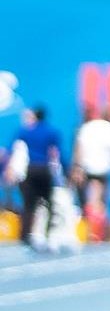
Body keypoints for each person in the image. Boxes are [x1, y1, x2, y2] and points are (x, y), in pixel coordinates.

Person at [10, 105, 65, 250]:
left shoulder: (26, 131)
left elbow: (15, 147)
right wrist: (65, 170)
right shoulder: (52, 131)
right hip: (44, 169)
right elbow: (57, 153)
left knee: (29, 204)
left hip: (31, 169)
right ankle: (47, 233)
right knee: (49, 203)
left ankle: (25, 235)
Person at [70, 105, 110, 240]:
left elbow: (79, 148)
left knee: (88, 200)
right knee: (99, 201)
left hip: (86, 167)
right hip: (103, 169)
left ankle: (88, 229)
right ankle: (97, 231)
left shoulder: (88, 127)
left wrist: (77, 167)